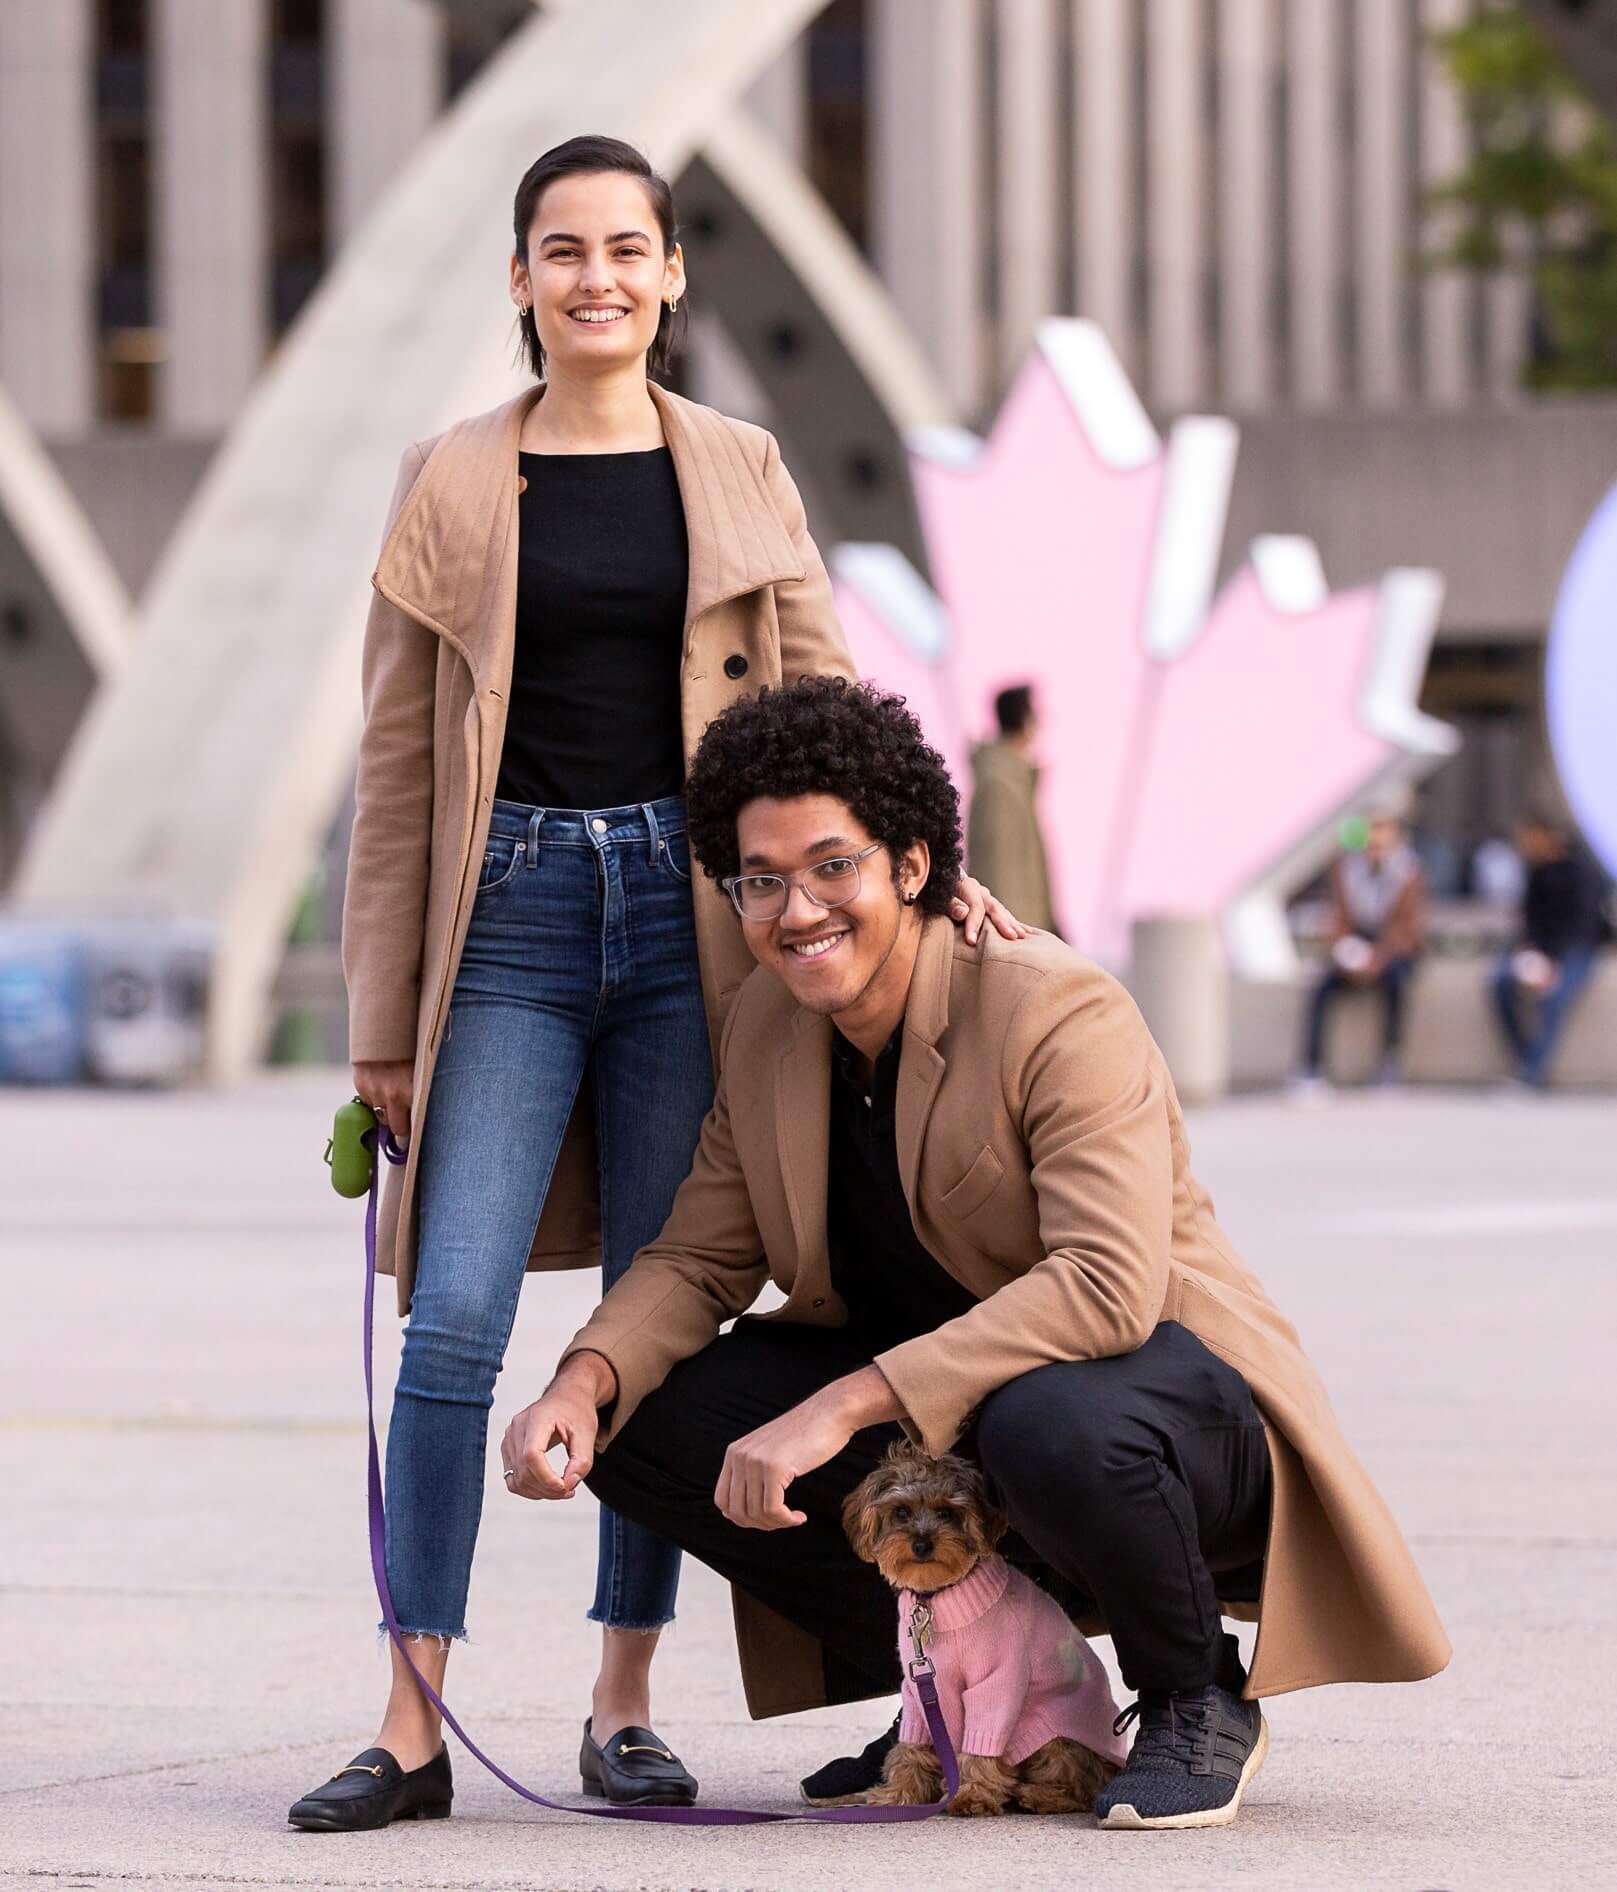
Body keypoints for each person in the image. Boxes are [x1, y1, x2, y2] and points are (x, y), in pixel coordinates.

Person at [288, 138, 1019, 1834]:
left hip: (702, 928)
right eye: (563, 249)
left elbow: (827, 702)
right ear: (525, 279)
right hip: (515, 922)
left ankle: (624, 1699)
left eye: (628, 247)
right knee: (455, 1316)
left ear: (674, 274)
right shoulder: (455, 478)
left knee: (653, 1312)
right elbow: (397, 768)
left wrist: (920, 851)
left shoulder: (741, 465)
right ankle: (412, 1720)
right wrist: (381, 1019)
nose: (596, 276)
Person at [502, 677, 1450, 1832]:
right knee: (648, 1419)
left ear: (911, 862)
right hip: (966, 1418)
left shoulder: (1055, 1007)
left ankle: (1195, 1688)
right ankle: (942, 1691)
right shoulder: (764, 1024)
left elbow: (1106, 1288)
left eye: (831, 865)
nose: (797, 908)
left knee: (1041, 1417)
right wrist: (582, 1381)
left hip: (1159, 1404)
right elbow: (701, 1251)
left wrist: (842, 1405)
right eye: (761, 879)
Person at [1296, 810, 1427, 1091]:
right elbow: (1338, 920)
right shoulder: (1347, 870)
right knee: (1321, 988)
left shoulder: (1408, 872)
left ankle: (1389, 1061)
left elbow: (1409, 928)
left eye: (1382, 830)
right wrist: (1348, 953)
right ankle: (1312, 1066)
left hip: (1391, 952)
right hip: (1356, 950)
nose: (1376, 839)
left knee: (1396, 983)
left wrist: (1378, 958)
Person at [1491, 810, 1606, 1089]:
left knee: (1554, 999)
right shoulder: (1536, 871)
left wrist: (1553, 964)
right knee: (1501, 982)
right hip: (1541, 950)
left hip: (1577, 949)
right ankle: (1527, 1058)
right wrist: (1530, 953)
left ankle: (1531, 1072)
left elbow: (1582, 923)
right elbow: (1530, 921)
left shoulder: (1581, 870)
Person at [967, 683, 1059, 935]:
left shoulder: (1013, 778)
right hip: (1016, 937)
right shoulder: (1000, 784)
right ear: (1025, 719)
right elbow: (1000, 873)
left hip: (1026, 933)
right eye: (1035, 713)